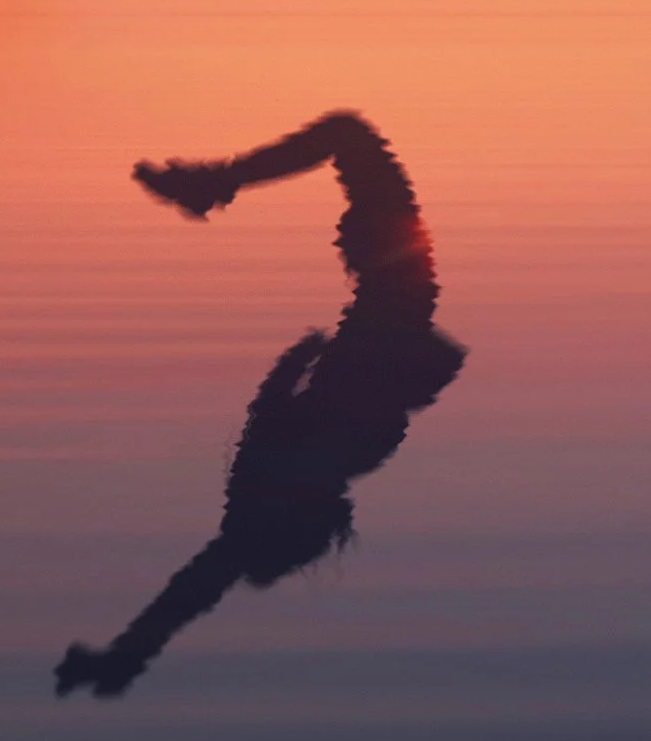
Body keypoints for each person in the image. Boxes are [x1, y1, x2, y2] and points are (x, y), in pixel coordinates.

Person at [56, 110, 466, 698]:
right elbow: (205, 578)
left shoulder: (326, 465)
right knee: (349, 136)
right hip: (389, 306)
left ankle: (211, 184)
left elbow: (203, 582)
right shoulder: (295, 469)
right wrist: (127, 655)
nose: (337, 236)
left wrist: (130, 655)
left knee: (349, 135)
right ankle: (210, 184)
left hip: (395, 302)